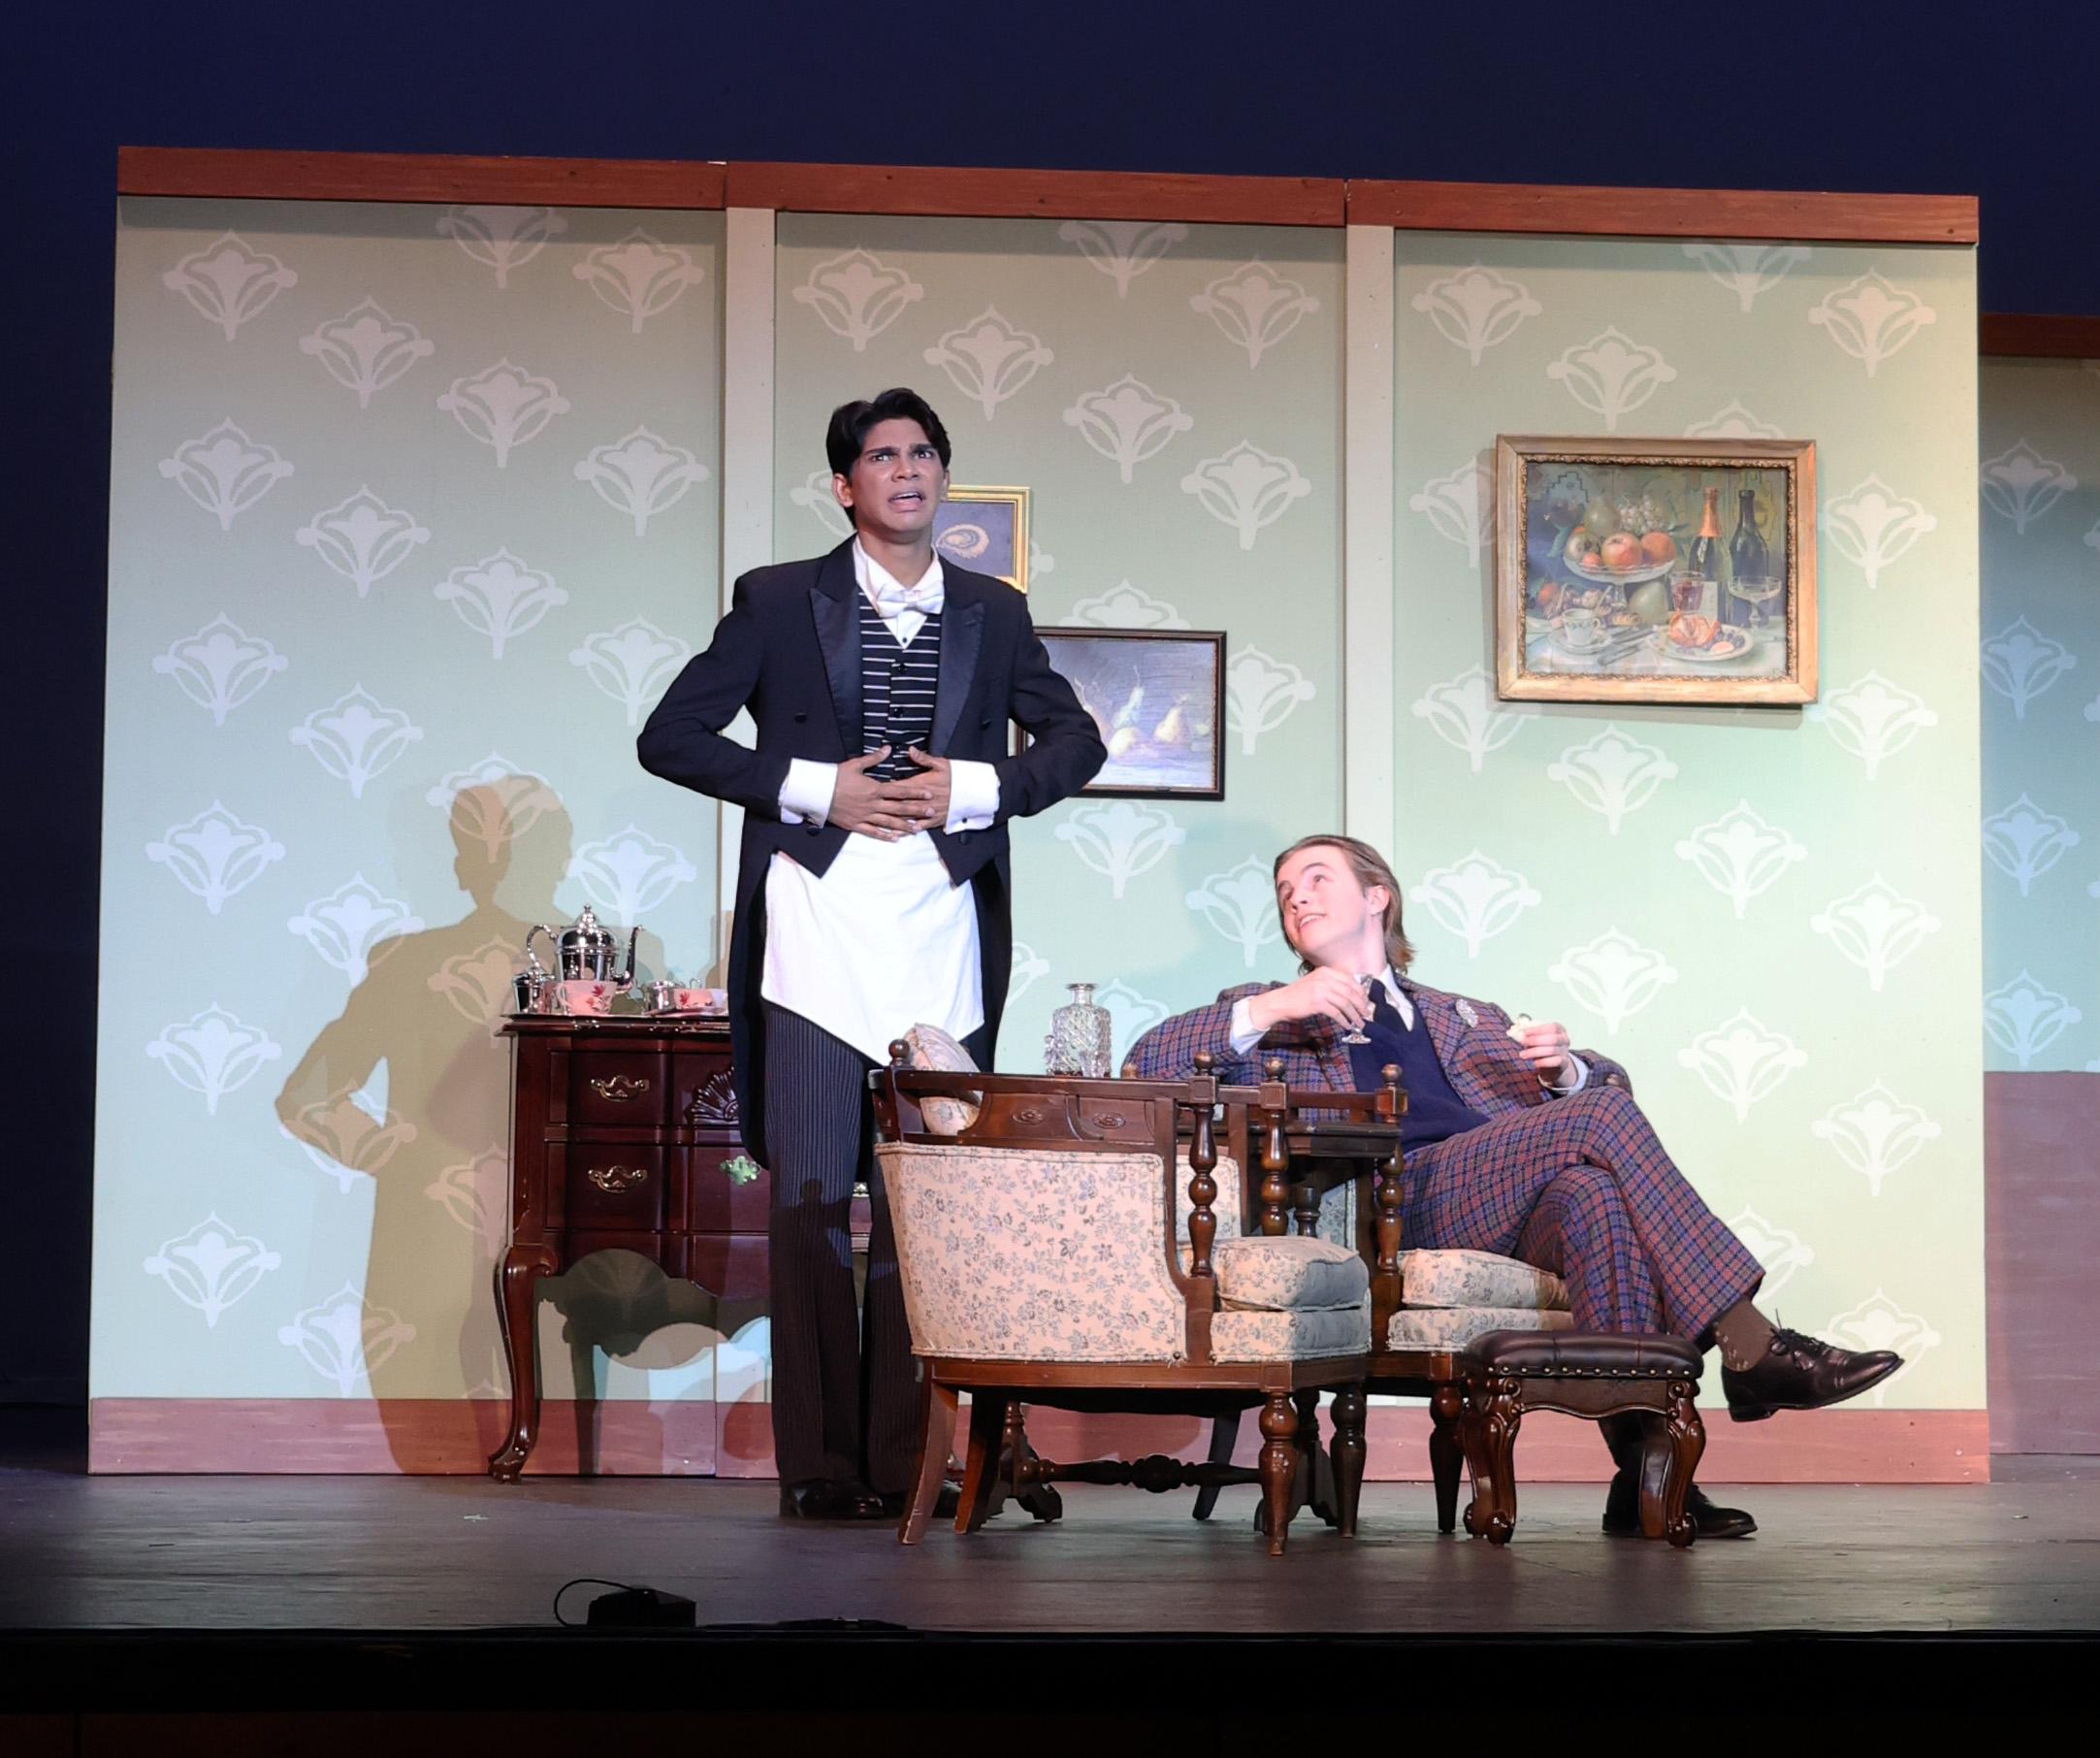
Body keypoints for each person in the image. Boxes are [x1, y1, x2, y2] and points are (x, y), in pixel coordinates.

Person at [1127, 832, 1901, 1540]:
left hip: (1497, 1194)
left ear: (1376, 896)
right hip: (1395, 1202)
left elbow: (1610, 1093)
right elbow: (1145, 1063)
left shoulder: (1464, 1015)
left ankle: (1646, 1481)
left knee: (1592, 1196)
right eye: (1285, 889)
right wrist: (1272, 1006)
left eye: (1317, 878)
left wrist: (1565, 1074)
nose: (1296, 896)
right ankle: (1750, 1346)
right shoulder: (1269, 1008)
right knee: (1595, 1124)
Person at [638, 388, 1105, 1519]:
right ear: (844, 485)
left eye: (923, 453)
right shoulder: (776, 599)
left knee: (918, 1211)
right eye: (882, 455)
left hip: (940, 929)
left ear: (942, 476)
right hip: (813, 923)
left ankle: (906, 1463)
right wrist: (818, 789)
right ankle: (817, 1469)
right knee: (805, 1205)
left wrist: (975, 786)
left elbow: (1076, 740)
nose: (906, 469)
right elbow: (670, 736)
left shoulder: (993, 610)